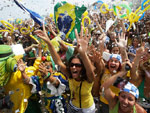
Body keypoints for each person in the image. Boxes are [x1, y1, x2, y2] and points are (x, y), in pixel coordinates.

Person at [34, 25, 95, 113]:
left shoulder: (89, 79)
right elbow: (58, 62)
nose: (74, 67)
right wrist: (49, 43)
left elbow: (90, 71)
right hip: (72, 106)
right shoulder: (70, 74)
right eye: (72, 65)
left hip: (87, 109)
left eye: (78, 65)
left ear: (82, 68)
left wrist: (83, 53)